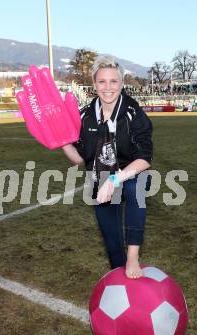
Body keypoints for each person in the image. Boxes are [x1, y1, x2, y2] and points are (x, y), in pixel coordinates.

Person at [62, 57, 153, 279]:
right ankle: (119, 277)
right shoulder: (84, 115)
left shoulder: (133, 112)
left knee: (135, 190)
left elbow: (144, 158)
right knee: (111, 239)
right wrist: (62, 141)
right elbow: (79, 159)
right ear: (94, 84)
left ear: (121, 84)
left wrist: (115, 180)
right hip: (100, 178)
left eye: (114, 81)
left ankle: (133, 258)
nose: (108, 87)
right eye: (102, 82)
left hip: (130, 174)